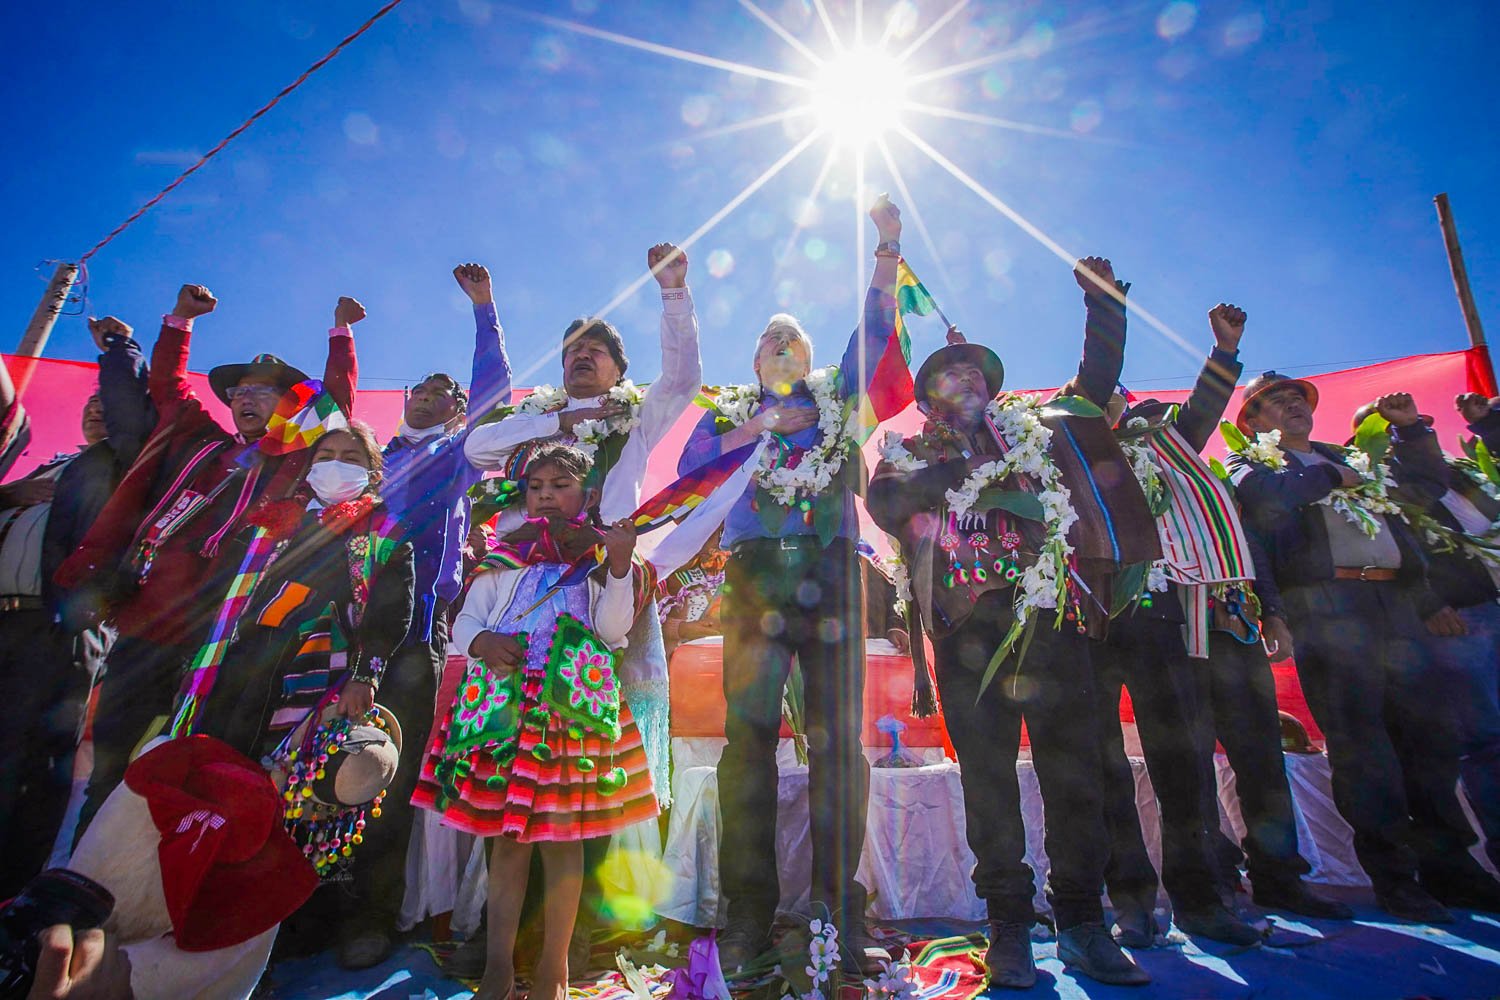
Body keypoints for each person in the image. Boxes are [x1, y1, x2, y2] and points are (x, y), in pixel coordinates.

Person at [868, 257, 1159, 988]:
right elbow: (888, 507)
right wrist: (975, 482)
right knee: (988, 783)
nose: (965, 381)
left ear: (993, 388)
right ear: (930, 394)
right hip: (967, 638)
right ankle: (1009, 930)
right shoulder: (904, 451)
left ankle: (1086, 923)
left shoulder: (1036, 436)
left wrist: (1104, 307)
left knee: (1079, 775)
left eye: (976, 373)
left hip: (1049, 627)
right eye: (950, 374)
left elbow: (1093, 391)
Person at [679, 197, 905, 974]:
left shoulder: (838, 402)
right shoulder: (730, 415)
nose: (782, 345)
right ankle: (748, 915)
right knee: (749, 743)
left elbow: (873, 337)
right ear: (753, 365)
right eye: (770, 340)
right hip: (754, 580)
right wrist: (757, 431)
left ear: (809, 358)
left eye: (794, 339)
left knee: (840, 743)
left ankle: (839, 912)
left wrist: (886, 248)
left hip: (832, 574)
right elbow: (688, 475)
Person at [459, 243, 699, 975]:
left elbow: (685, 378)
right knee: (517, 769)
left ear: (620, 371)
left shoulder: (636, 415)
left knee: (595, 770)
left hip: (609, 592)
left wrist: (673, 295)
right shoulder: (541, 424)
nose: (581, 357)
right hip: (521, 603)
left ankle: (587, 937)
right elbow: (476, 445)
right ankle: (516, 942)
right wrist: (554, 421)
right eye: (571, 351)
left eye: (595, 350)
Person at [56, 285, 362, 838]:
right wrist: (179, 321)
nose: (248, 398)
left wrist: (341, 333)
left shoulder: (292, 458)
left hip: (225, 635)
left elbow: (337, 403)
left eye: (264, 392)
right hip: (151, 619)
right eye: (241, 390)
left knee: (193, 762)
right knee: (112, 758)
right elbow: (167, 386)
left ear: (291, 405)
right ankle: (83, 874)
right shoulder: (199, 442)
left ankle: (164, 881)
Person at [1228, 375, 1491, 921]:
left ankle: (1453, 871)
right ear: (1251, 423)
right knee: (1365, 751)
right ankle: (1396, 878)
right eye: (1274, 401)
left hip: (1394, 607)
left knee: (1431, 742)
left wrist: (1411, 430)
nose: (1293, 404)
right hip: (1327, 610)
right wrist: (1328, 476)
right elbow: (1266, 501)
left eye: (1297, 397)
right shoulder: (1253, 467)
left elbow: (1421, 487)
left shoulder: (1353, 458)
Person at [413, 444, 657, 1000]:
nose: (546, 494)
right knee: (508, 842)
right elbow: (467, 621)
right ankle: (498, 966)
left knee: (563, 842)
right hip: (504, 708)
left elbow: (613, 629)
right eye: (536, 486)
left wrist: (619, 568)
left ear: (587, 496)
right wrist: (483, 640)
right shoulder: (503, 557)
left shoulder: (600, 558)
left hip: (568, 713)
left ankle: (554, 971)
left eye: (560, 484)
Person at [333, 263, 511, 969]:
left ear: (459, 409)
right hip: (338, 625)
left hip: (413, 633)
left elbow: (497, 394)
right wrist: (341, 333)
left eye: (447, 392)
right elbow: (326, 407)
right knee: (315, 765)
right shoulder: (366, 459)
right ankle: (299, 905)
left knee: (385, 773)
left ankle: (374, 914)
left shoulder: (458, 455)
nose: (433, 396)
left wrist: (484, 310)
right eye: (425, 387)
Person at [0, 315, 154, 894]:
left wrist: (120, 348)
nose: (95, 409)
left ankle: (14, 893)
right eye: (87, 404)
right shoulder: (46, 468)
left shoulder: (118, 468)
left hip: (57, 625)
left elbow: (127, 412)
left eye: (103, 404)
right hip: (4, 621)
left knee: (32, 765)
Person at [1345, 392, 1500, 901]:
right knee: (1483, 741)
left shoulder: (1453, 472)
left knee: (1464, 741)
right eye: (1384, 428)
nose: (1397, 434)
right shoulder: (1367, 481)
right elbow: (1399, 544)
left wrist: (1474, 425)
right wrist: (1430, 602)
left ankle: (1457, 864)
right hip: (1452, 620)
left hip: (1487, 604)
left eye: (1404, 428)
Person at [184, 422, 415, 765]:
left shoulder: (387, 535)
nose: (336, 464)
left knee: (276, 767)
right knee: (216, 751)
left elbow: (392, 613)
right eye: (326, 456)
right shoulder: (269, 525)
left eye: (350, 458)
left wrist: (364, 677)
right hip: (244, 656)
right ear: (310, 469)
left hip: (318, 666)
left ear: (372, 473)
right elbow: (221, 596)